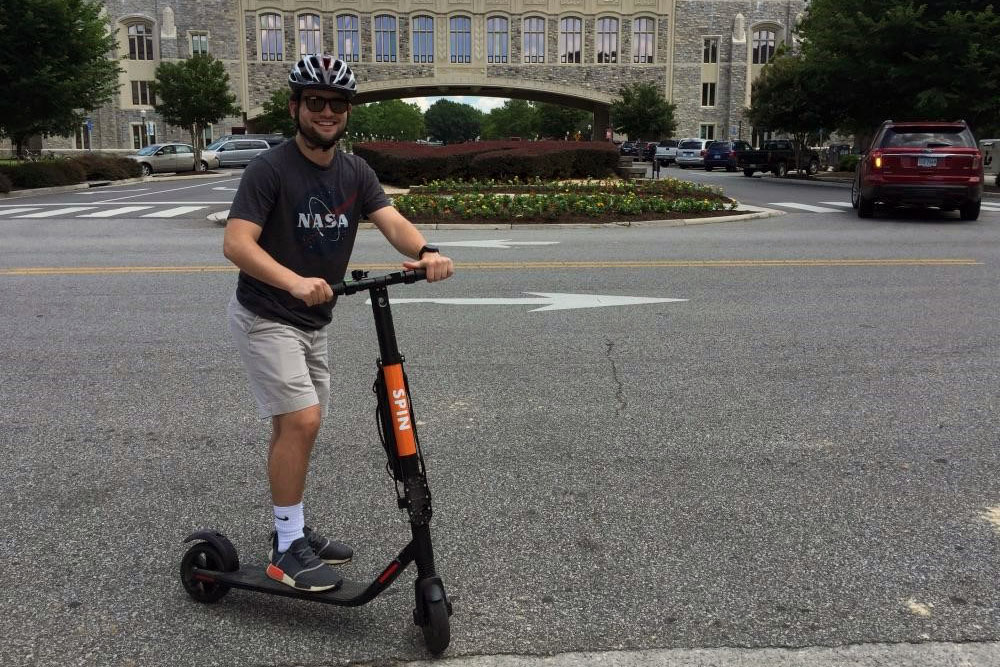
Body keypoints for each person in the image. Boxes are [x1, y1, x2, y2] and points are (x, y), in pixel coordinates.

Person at [223, 54, 454, 593]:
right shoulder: (271, 168)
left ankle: (292, 529)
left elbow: (390, 219)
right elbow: (236, 242)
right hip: (266, 314)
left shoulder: (354, 171)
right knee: (300, 421)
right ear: (296, 108)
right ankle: (286, 549)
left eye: (337, 104)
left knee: (294, 426)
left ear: (347, 112)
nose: (326, 112)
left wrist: (426, 250)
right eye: (315, 102)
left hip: (312, 321)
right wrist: (293, 281)